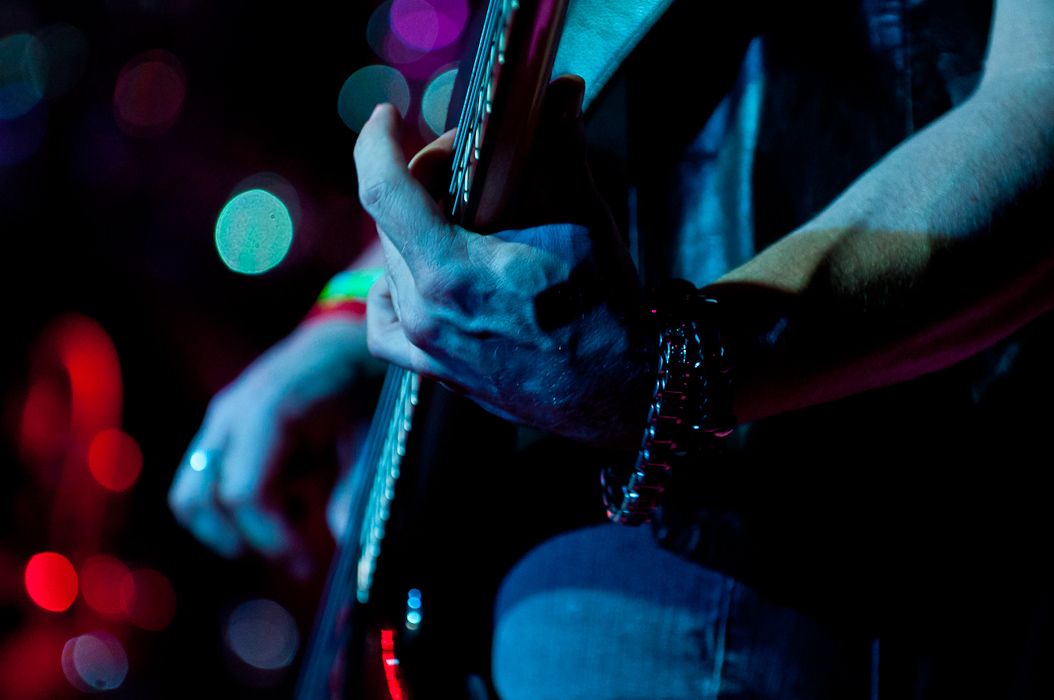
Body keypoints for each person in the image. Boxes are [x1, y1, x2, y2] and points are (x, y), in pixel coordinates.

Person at [170, 0, 1054, 697]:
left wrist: (680, 371)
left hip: (779, 545)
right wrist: (344, 316)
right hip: (518, 527)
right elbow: (562, 85)